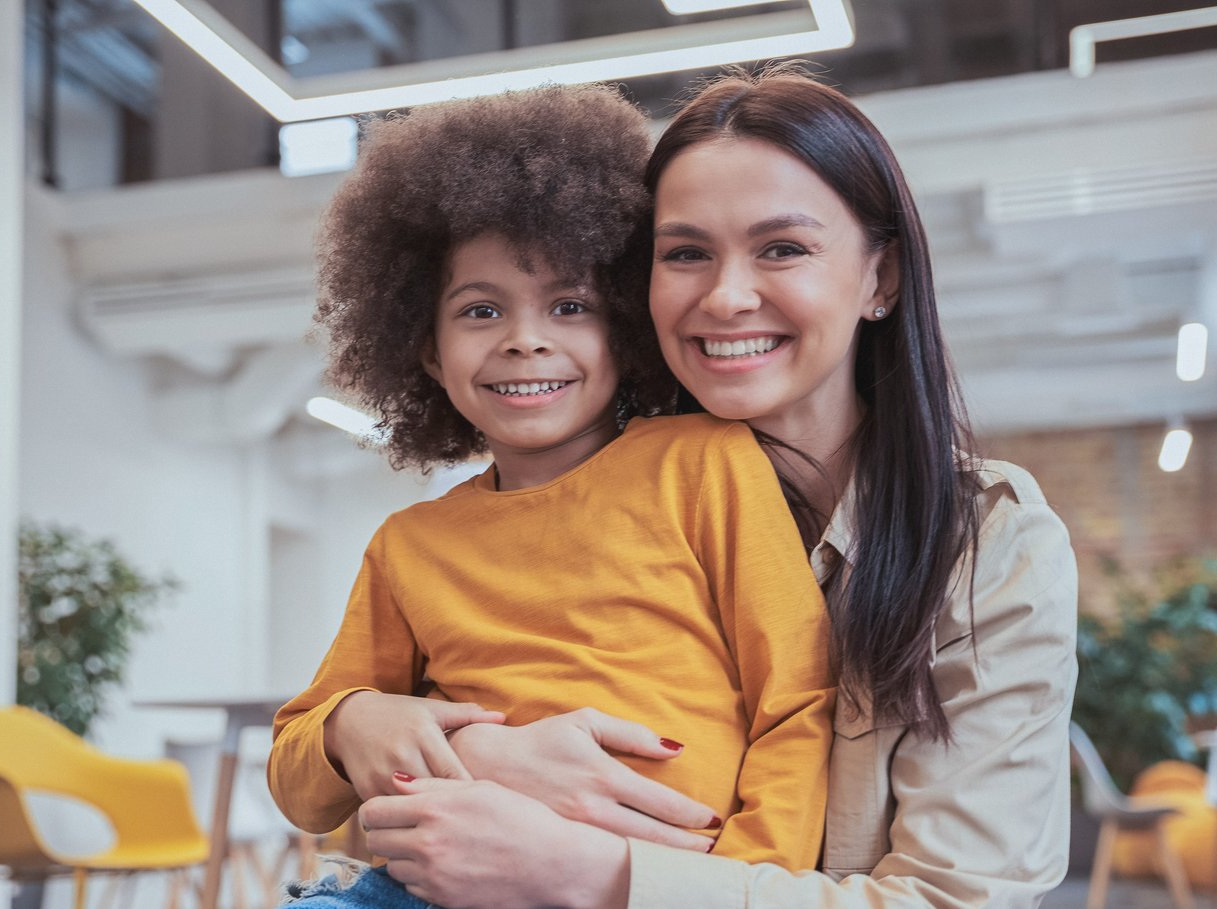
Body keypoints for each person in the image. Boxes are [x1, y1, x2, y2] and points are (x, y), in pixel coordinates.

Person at [356, 67, 1079, 909]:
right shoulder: (562, 509)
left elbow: (958, 900)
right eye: (686, 253)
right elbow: (415, 831)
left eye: (783, 248)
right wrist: (377, 730)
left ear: (879, 280)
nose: (728, 296)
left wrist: (598, 873)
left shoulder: (984, 540)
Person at [267, 82, 838, 905]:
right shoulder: (409, 544)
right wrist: (356, 720)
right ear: (424, 349)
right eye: (481, 309)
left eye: (569, 305)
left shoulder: (705, 463)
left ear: (625, 329)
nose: (525, 338)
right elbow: (299, 778)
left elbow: (797, 699)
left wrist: (740, 882)